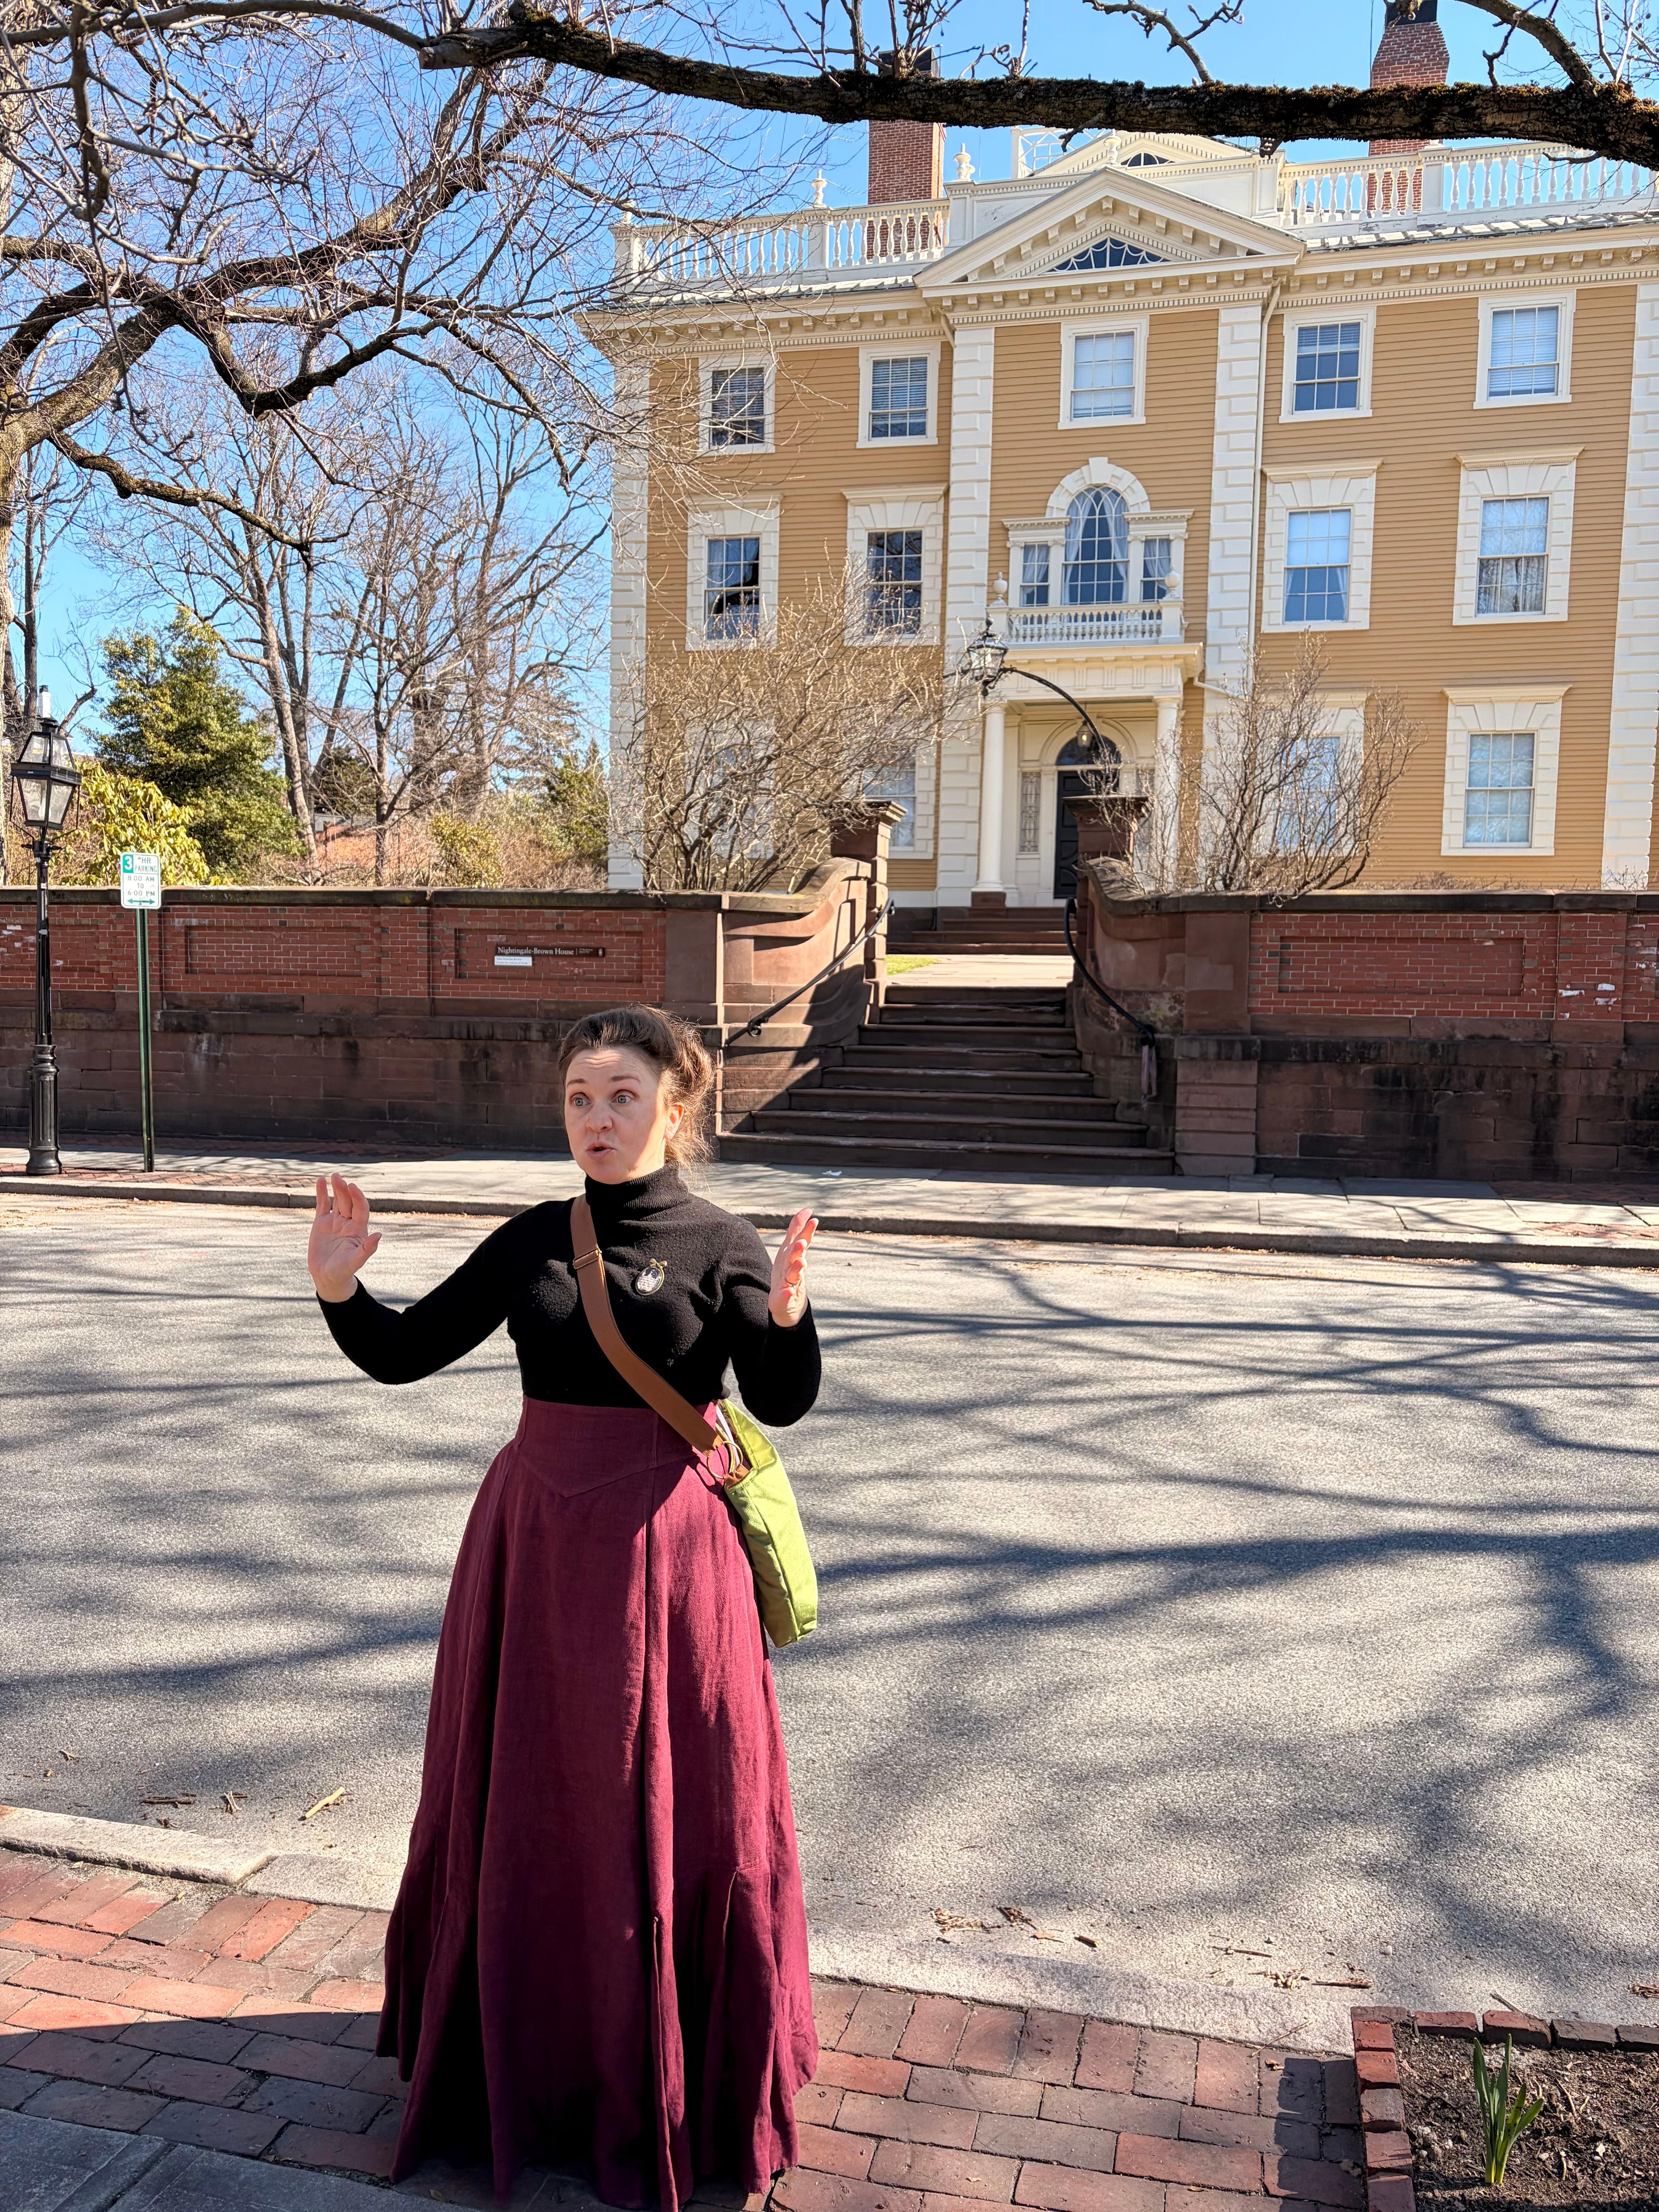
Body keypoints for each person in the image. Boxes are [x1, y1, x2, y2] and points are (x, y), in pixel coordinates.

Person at [307, 1003, 821, 2209]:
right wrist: (340, 1295)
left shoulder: (721, 1241)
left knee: (668, 1799)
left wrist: (790, 1320)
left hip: (667, 1554)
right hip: (531, 1541)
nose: (598, 1117)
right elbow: (406, 1351)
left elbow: (781, 1403)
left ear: (675, 1106)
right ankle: (521, 2053)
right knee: (531, 1795)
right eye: (581, 1097)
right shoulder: (535, 1238)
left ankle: (669, 2066)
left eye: (623, 1095)